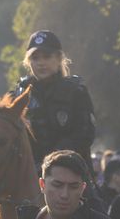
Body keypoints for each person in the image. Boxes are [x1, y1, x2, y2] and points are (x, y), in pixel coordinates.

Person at [13, 30, 96, 165]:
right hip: (30, 173)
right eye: (35, 58)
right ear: (28, 62)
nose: (41, 63)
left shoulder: (76, 92)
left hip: (71, 171)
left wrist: (52, 160)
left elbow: (85, 134)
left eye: (47, 56)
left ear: (59, 59)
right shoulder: (19, 94)